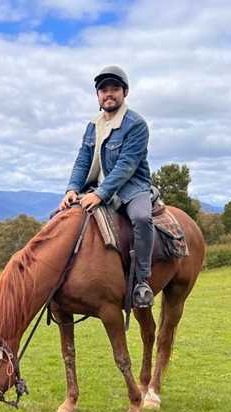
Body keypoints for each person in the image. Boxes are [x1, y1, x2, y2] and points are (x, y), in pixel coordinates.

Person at [59, 66, 155, 308]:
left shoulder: (136, 124)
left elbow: (127, 165)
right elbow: (83, 159)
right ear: (98, 95)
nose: (108, 94)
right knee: (59, 217)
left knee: (142, 218)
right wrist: (72, 188)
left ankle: (142, 282)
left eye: (114, 89)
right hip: (96, 186)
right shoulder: (93, 125)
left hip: (132, 187)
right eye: (104, 90)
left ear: (125, 92)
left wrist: (101, 194)